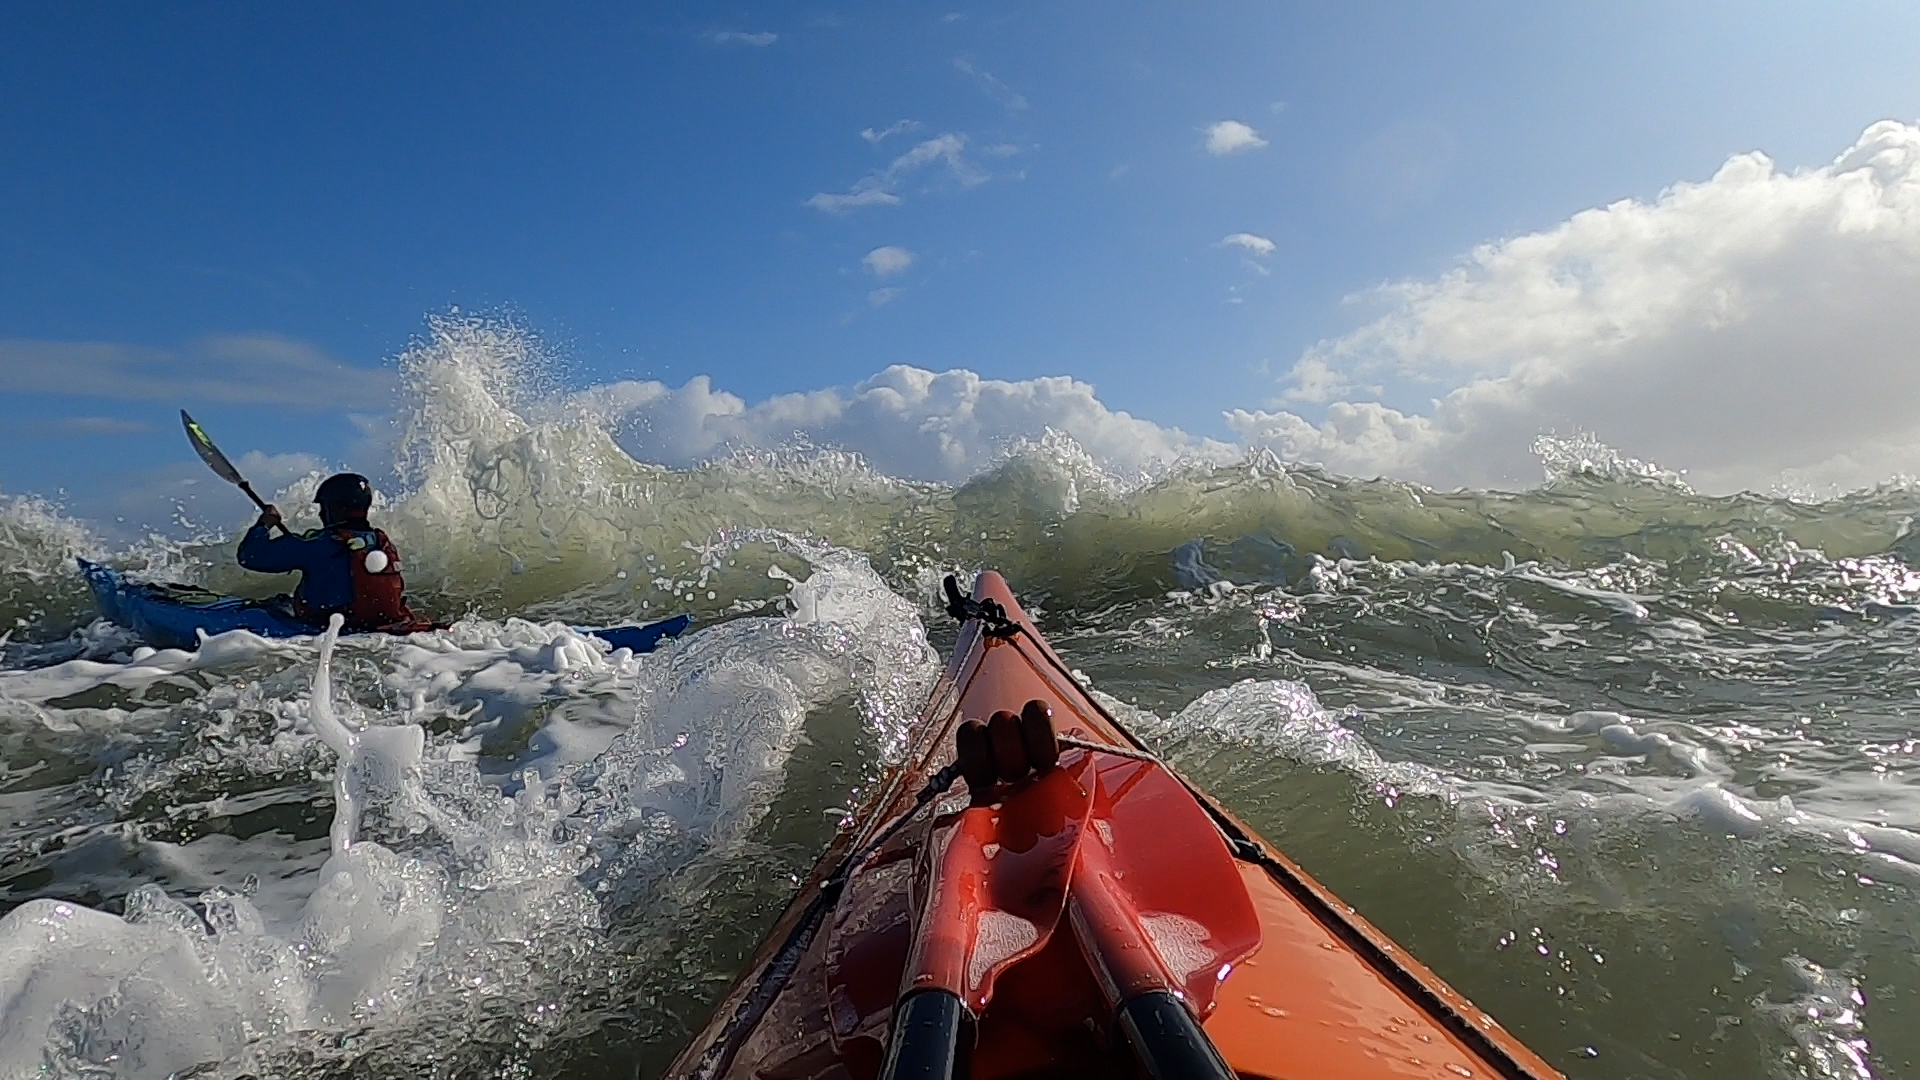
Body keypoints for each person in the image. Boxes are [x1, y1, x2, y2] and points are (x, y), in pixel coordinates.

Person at [237, 473, 423, 631]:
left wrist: (265, 524)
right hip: (376, 625)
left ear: (336, 508)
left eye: (323, 507)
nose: (320, 514)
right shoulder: (381, 541)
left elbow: (250, 557)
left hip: (325, 625)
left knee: (268, 607)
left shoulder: (318, 543)